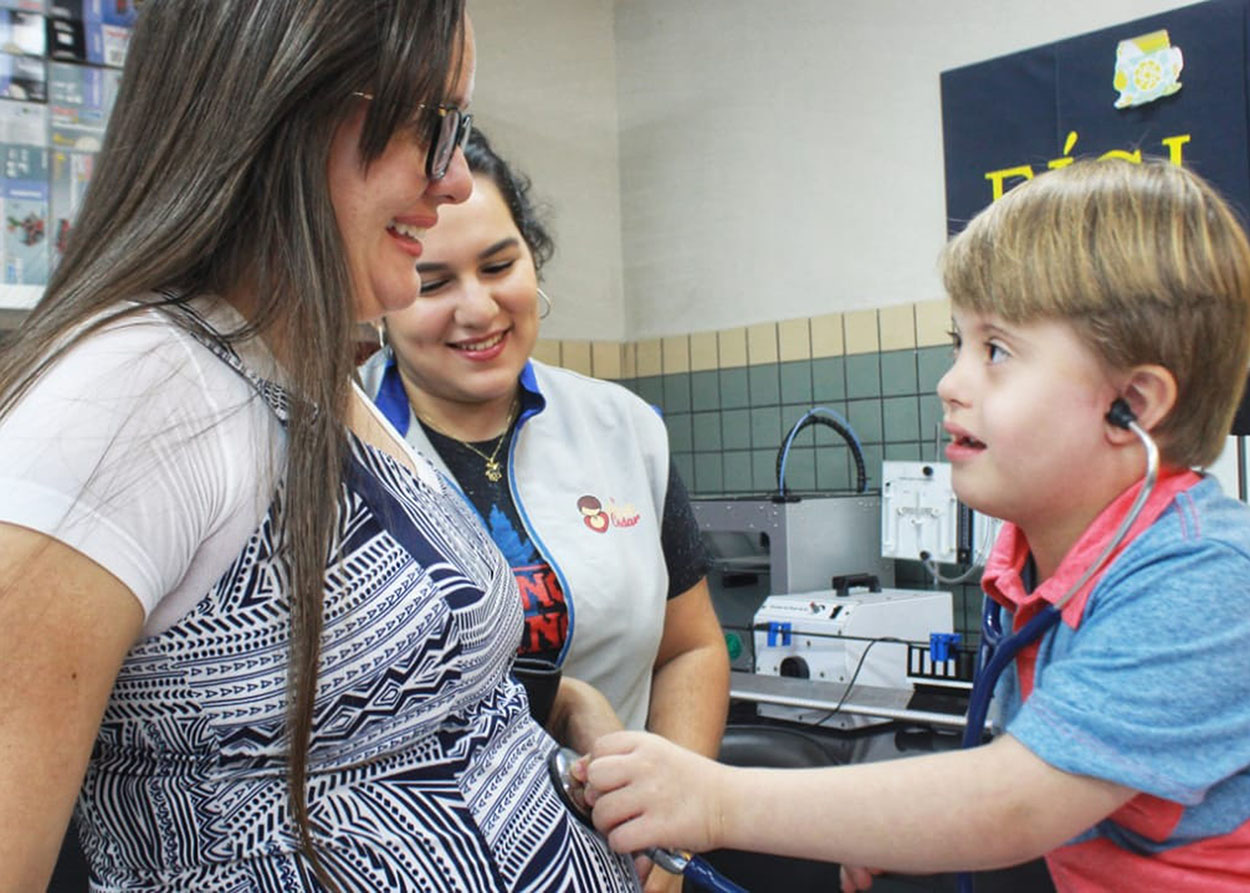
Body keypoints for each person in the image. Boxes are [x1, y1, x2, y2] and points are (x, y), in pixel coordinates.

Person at [0, 3, 640, 891]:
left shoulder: (302, 362)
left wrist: (567, 707)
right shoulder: (127, 394)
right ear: (285, 104)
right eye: (431, 124)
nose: (454, 178)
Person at [578, 157, 1250, 892]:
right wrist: (902, 824)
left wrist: (711, 798)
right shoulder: (1034, 560)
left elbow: (1015, 800)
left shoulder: (1204, 577)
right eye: (956, 344)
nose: (951, 383)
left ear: (1134, 405)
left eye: (996, 350)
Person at [359, 127, 730, 892]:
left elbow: (689, 647)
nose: (478, 307)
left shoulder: (624, 428)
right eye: (433, 283)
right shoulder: (333, 441)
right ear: (383, 296)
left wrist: (670, 844)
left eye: (500, 265)